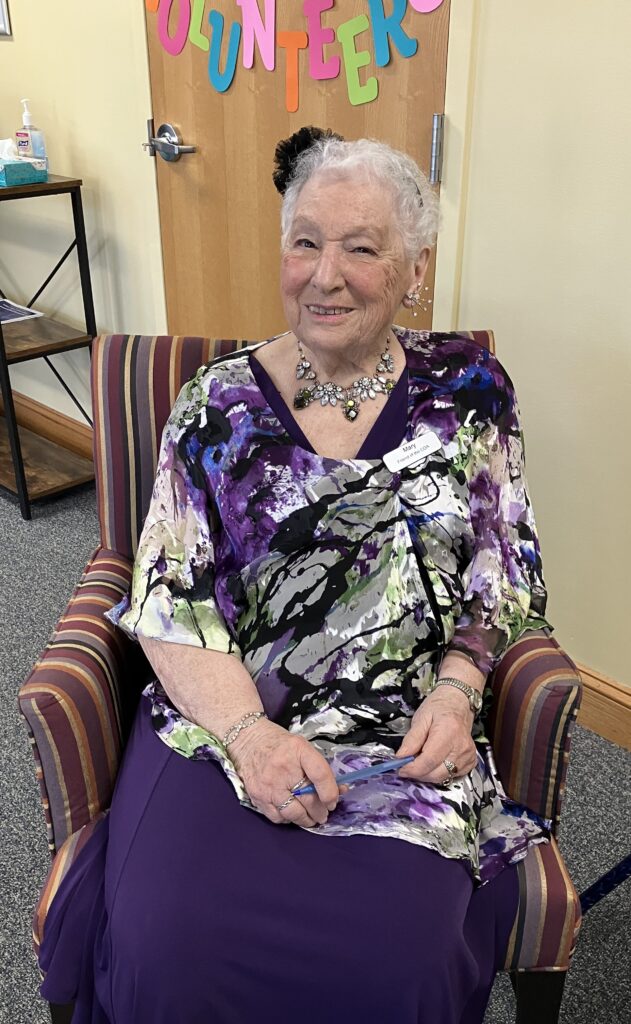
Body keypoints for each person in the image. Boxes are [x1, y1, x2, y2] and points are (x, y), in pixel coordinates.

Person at [39, 127, 552, 1024]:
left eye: (361, 247)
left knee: (399, 965)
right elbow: (169, 601)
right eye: (306, 241)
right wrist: (250, 737)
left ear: (414, 269)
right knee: (172, 947)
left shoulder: (471, 389)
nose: (325, 274)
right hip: (224, 730)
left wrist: (456, 695)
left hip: (401, 742)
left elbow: (499, 566)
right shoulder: (215, 407)